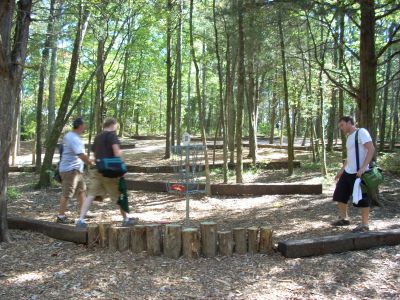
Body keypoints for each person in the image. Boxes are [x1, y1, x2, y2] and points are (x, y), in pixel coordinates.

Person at [76, 118, 136, 228]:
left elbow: (94, 156)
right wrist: (121, 166)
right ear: (113, 124)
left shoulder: (98, 137)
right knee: (119, 195)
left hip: (98, 171)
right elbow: (117, 153)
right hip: (110, 172)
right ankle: (126, 219)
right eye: (116, 125)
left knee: (90, 195)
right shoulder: (112, 136)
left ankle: (80, 220)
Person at [332, 116, 375, 232]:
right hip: (348, 171)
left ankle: (365, 225)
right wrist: (341, 170)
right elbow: (350, 157)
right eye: (339, 126)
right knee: (340, 193)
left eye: (342, 125)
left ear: (349, 122)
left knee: (361, 197)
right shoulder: (349, 137)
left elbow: (371, 149)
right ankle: (344, 218)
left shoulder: (361, 132)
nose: (341, 128)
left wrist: (363, 168)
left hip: (359, 172)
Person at [56, 118, 93, 224]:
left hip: (76, 171)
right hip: (70, 171)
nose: (85, 127)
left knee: (81, 191)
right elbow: (80, 155)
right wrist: (91, 163)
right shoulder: (73, 138)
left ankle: (84, 212)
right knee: (67, 193)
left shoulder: (73, 136)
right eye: (84, 125)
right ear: (80, 126)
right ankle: (60, 216)